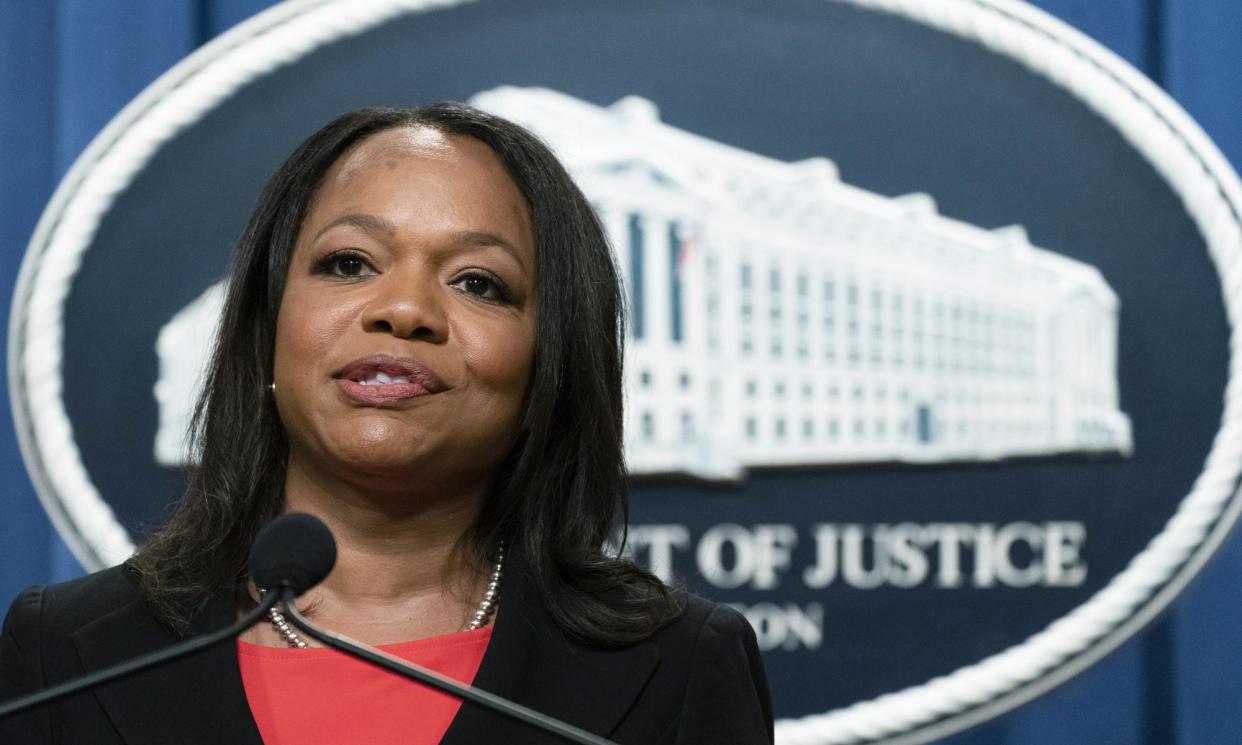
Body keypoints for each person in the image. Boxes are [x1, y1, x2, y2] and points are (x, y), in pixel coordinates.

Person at [0, 103, 773, 744]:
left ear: (548, 370)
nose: (403, 310)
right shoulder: (67, 653)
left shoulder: (677, 668)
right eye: (349, 263)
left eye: (478, 282)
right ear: (269, 327)